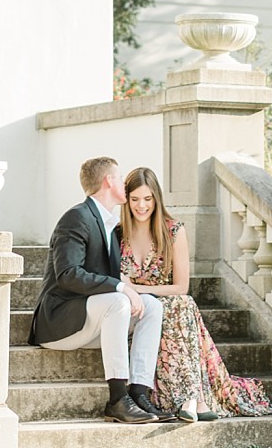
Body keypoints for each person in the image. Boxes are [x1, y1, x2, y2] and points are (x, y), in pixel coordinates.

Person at [119, 166, 272, 422]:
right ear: (127, 200)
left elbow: (181, 286)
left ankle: (191, 398)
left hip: (169, 308)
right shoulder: (118, 235)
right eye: (135, 199)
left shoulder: (173, 232)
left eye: (147, 199)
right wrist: (133, 292)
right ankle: (196, 399)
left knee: (181, 303)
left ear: (157, 199)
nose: (141, 206)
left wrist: (140, 288)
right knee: (177, 307)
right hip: (137, 312)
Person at [28, 156, 169, 424]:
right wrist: (120, 286)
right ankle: (117, 399)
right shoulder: (77, 217)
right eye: (120, 178)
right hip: (59, 322)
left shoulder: (109, 224)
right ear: (109, 181)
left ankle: (138, 394)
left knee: (152, 305)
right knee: (119, 300)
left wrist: (124, 285)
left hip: (91, 321)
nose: (126, 185)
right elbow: (68, 274)